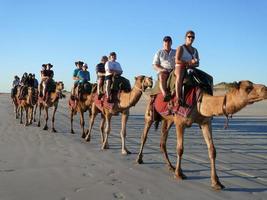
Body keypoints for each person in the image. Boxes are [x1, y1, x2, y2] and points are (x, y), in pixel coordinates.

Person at [175, 30, 199, 105]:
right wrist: (188, 62)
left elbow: (198, 63)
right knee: (179, 77)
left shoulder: (195, 50)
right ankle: (178, 98)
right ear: (185, 37)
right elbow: (177, 60)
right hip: (181, 66)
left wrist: (193, 63)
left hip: (191, 67)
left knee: (206, 78)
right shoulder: (181, 48)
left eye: (193, 37)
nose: (191, 38)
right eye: (189, 37)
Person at [152, 36, 176, 101]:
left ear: (171, 43)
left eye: (168, 42)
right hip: (163, 71)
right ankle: (165, 94)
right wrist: (161, 69)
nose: (167, 43)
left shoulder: (176, 52)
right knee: (162, 76)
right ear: (163, 43)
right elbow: (154, 65)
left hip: (173, 70)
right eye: (165, 42)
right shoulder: (159, 52)